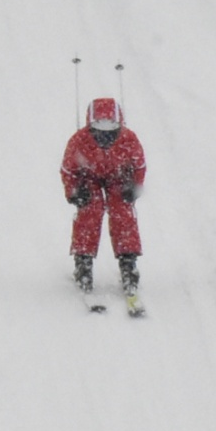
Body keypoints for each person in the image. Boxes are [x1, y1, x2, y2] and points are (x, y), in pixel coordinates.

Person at [61, 97, 145, 297]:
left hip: (119, 178)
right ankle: (83, 262)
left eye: (112, 129)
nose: (105, 136)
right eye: (99, 129)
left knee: (123, 212)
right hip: (89, 179)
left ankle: (128, 263)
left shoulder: (129, 139)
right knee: (90, 210)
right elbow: (68, 170)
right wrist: (74, 191)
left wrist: (134, 185)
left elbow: (139, 166)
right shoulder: (79, 141)